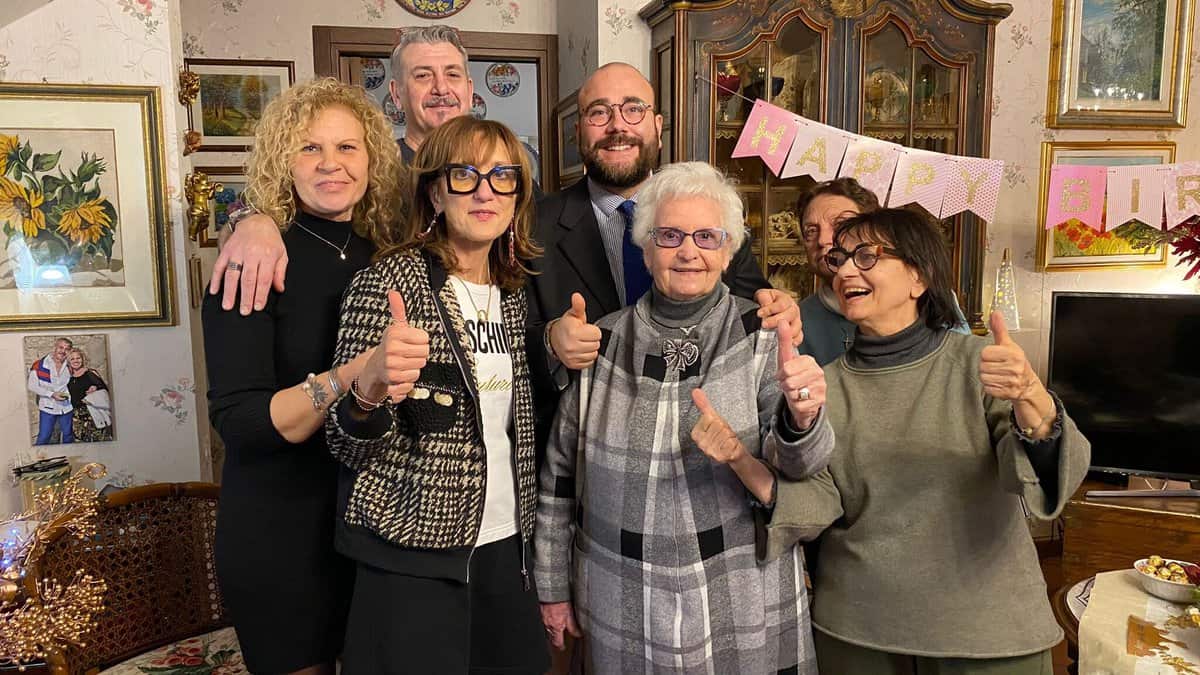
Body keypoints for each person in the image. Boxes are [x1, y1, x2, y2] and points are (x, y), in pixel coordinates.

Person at [534, 162, 833, 674]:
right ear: (645, 249)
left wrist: (803, 418)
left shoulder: (763, 334)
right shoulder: (603, 340)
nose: (688, 251)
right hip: (618, 592)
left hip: (741, 593)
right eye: (669, 235)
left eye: (706, 236)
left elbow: (803, 468)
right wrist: (552, 587)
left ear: (728, 250)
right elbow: (559, 476)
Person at [764, 208, 1091, 674]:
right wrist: (756, 450)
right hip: (859, 632)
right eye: (840, 259)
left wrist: (1030, 396)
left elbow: (1044, 479)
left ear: (919, 276)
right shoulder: (825, 385)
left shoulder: (980, 363)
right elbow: (817, 501)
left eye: (866, 256)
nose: (845, 271)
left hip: (988, 632)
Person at [325, 116, 548, 674]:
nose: (485, 191)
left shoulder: (515, 292)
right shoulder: (387, 283)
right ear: (434, 191)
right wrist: (369, 390)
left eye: (502, 176)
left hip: (507, 546)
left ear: (517, 195)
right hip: (412, 555)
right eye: (465, 174)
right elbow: (343, 444)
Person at [201, 77, 402, 675]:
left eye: (347, 147)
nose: (330, 163)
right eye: (310, 147)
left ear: (372, 159)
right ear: (282, 161)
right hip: (279, 530)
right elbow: (239, 422)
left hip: (375, 527)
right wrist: (349, 376)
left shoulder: (387, 253)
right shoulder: (254, 256)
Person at [528, 62, 801, 452]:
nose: (617, 126)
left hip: (704, 446)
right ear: (578, 131)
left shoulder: (710, 210)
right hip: (587, 452)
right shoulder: (533, 226)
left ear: (657, 126)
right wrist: (549, 341)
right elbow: (503, 342)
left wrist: (779, 308)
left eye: (633, 109)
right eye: (599, 112)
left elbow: (755, 309)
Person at [211, 26, 538, 316]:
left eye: (451, 75)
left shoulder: (505, 179)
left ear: (468, 88)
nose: (441, 88)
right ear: (396, 93)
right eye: (423, 76)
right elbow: (275, 204)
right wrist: (252, 223)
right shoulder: (371, 169)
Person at [794, 177, 970, 365]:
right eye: (811, 231)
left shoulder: (932, 299)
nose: (823, 240)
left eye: (840, 225)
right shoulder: (797, 320)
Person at [28, 337, 73, 445]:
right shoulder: (39, 365)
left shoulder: (70, 365)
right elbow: (32, 386)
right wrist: (52, 394)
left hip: (66, 407)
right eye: (61, 347)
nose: (63, 351)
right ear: (55, 347)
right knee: (44, 437)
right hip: (48, 407)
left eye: (66, 349)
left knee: (68, 435)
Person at [66, 347, 113, 442]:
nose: (76, 361)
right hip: (77, 417)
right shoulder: (68, 378)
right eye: (72, 359)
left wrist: (95, 387)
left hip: (93, 414)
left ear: (82, 359)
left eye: (78, 358)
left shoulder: (90, 373)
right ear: (69, 362)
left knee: (99, 441)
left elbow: (105, 390)